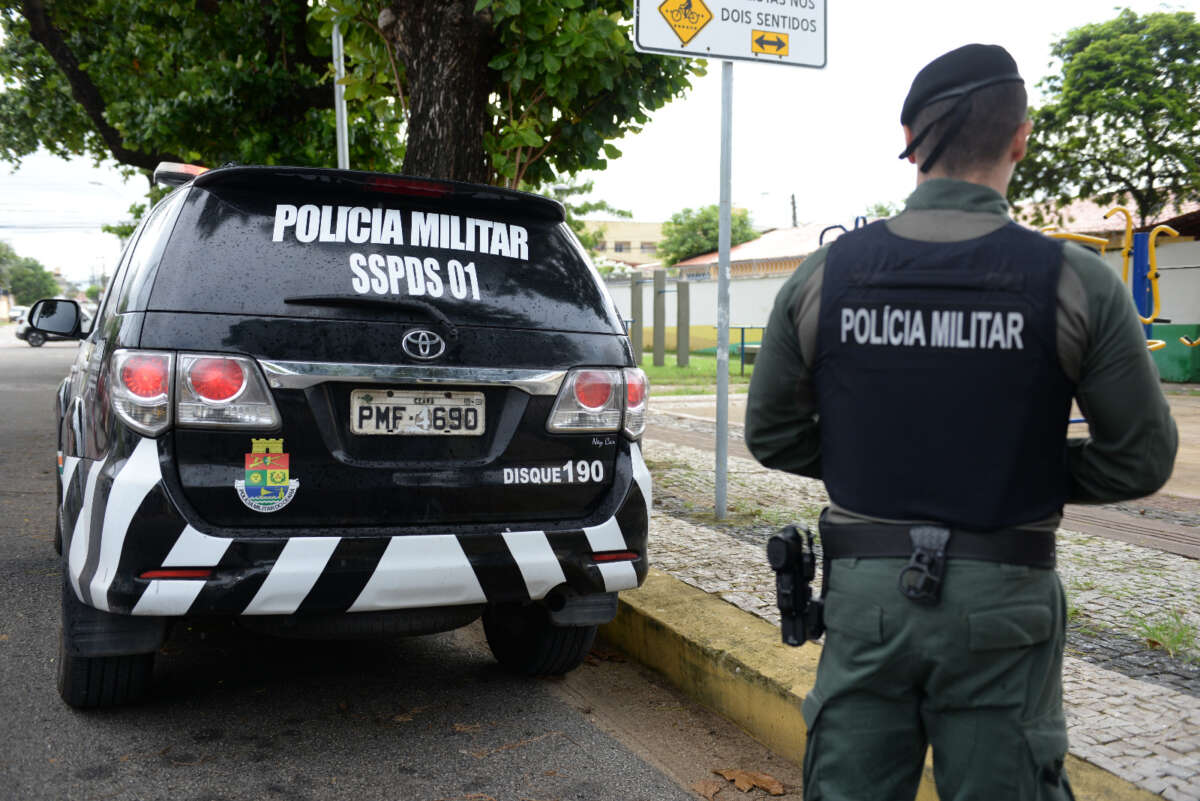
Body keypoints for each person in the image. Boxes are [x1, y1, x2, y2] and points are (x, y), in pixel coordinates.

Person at [745, 43, 1178, 801]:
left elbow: (773, 434)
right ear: (1020, 138)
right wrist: (1020, 465)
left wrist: (882, 460)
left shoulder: (826, 277)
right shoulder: (1075, 283)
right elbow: (1141, 456)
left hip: (866, 596)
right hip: (1005, 598)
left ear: (910, 140)